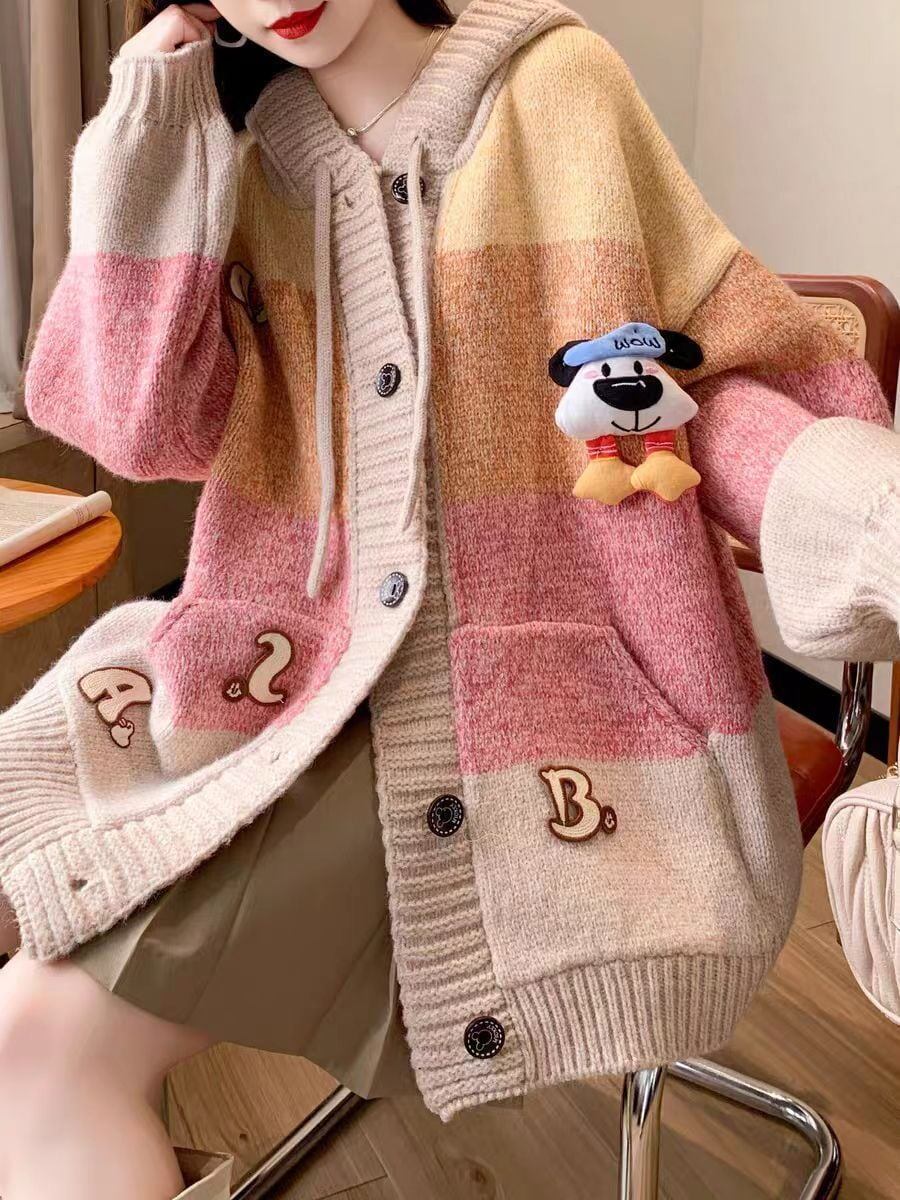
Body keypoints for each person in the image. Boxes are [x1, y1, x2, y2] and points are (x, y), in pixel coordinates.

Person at [1, 0, 899, 1195]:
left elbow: (697, 384)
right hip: (292, 678)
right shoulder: (241, 141)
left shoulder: (557, 87)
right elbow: (133, 425)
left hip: (553, 708)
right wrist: (154, 114)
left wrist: (858, 508)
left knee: (37, 1043)